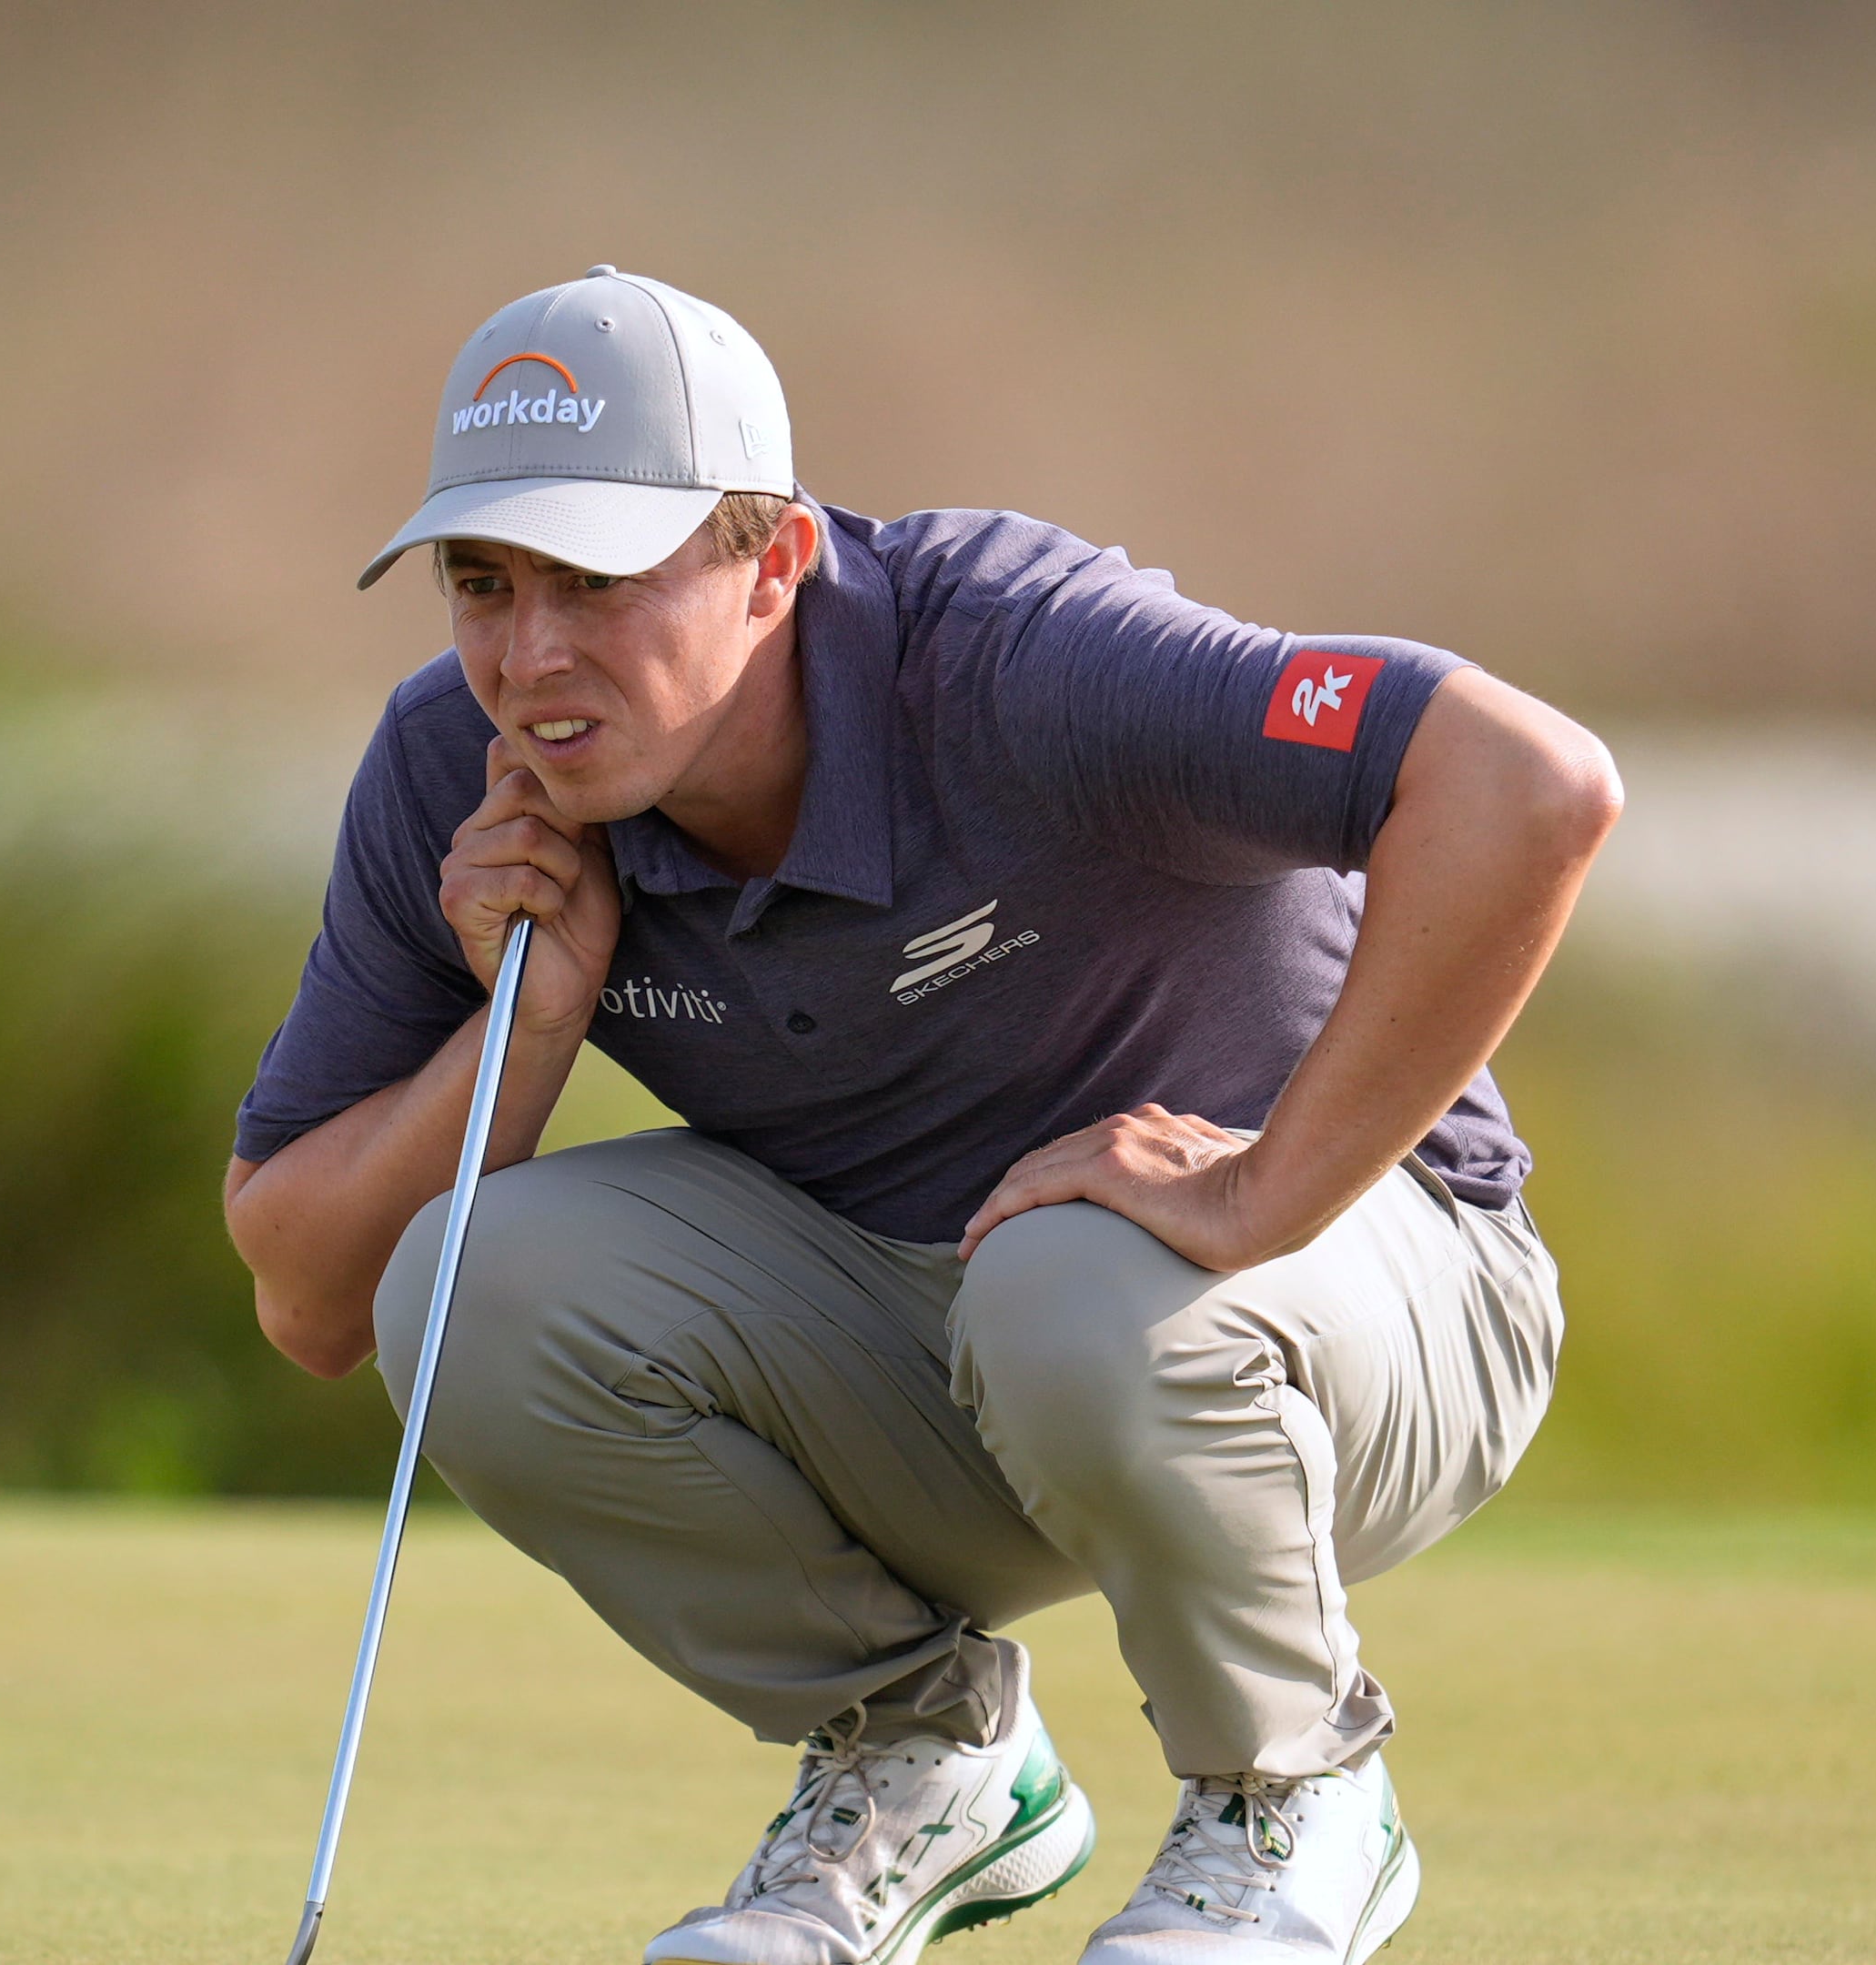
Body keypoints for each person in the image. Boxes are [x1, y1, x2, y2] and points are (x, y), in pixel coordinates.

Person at [223, 266, 1618, 1965]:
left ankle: (1292, 1799)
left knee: (1067, 1280)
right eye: (484, 583)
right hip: (960, 1348)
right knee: (464, 1280)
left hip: (1370, 1306)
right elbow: (309, 1294)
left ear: (779, 563)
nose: (531, 658)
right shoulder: (464, 771)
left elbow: (1526, 782)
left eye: (598, 579)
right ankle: (930, 1758)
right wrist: (530, 1040)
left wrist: (1266, 1191)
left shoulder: (1021, 659)